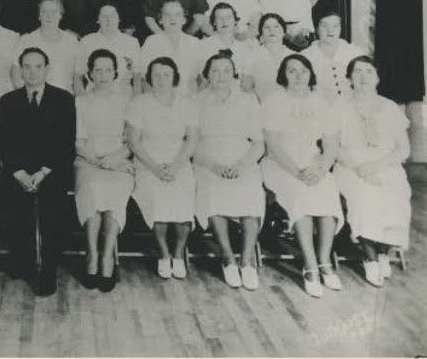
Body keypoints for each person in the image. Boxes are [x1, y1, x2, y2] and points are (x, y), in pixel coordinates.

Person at [0, 47, 76, 296]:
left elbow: (66, 143)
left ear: (47, 69)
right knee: (11, 202)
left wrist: (42, 173)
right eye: (27, 67)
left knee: (52, 207)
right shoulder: (8, 101)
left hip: (51, 171)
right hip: (18, 172)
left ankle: (48, 268)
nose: (32, 72)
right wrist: (19, 173)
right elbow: (3, 143)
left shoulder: (63, 99)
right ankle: (24, 260)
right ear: (20, 70)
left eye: (38, 66)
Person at [262, 54, 344, 297]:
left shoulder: (321, 103)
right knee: (300, 195)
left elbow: (330, 145)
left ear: (310, 74)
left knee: (327, 189)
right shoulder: (273, 101)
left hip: (313, 162)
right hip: (281, 164)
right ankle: (310, 266)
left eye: (302, 70)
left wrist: (320, 168)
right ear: (283, 75)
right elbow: (273, 147)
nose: (298, 75)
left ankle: (324, 261)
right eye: (291, 71)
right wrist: (297, 172)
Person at [334, 56, 411, 287]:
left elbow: (403, 149)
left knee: (396, 193)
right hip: (350, 164)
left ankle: (384, 252)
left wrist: (376, 166)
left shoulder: (389, 107)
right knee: (365, 196)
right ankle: (369, 258)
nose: (363, 76)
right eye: (357, 72)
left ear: (377, 78)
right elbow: (333, 147)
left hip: (384, 163)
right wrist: (359, 167)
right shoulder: (339, 107)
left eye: (369, 71)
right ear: (349, 78)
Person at [194, 51, 264, 290]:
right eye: (214, 70)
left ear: (234, 74)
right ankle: (227, 257)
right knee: (212, 190)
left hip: (242, 157)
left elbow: (259, 143)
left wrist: (242, 165)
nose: (220, 75)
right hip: (207, 159)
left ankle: (247, 260)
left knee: (251, 190)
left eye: (226, 70)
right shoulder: (197, 101)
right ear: (206, 74)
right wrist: (214, 165)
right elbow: (191, 142)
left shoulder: (248, 99)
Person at [127, 57, 198, 280]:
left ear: (174, 77)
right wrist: (155, 168)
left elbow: (192, 139)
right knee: (158, 196)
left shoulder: (186, 103)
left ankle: (178, 254)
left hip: (179, 161)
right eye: (156, 74)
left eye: (166, 74)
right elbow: (133, 141)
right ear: (149, 78)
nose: (161, 79)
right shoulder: (139, 103)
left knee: (184, 193)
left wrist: (176, 166)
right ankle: (163, 254)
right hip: (148, 162)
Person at [74, 49, 134, 292]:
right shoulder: (80, 101)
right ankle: (91, 255)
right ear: (89, 74)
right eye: (97, 70)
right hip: (87, 159)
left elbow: (131, 141)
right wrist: (97, 160)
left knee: (114, 194)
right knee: (92, 189)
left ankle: (108, 256)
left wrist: (115, 158)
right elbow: (77, 141)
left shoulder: (127, 101)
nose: (103, 75)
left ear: (115, 73)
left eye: (108, 70)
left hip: (119, 161)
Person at [12, 0, 80, 93]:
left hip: (65, 100)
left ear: (61, 15)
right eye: (45, 12)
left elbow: (77, 78)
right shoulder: (26, 40)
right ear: (39, 16)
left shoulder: (72, 41)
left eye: (54, 12)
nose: (49, 16)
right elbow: (15, 73)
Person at [139, 0, 202, 96]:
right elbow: (143, 77)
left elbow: (202, 78)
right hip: (159, 100)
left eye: (177, 15)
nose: (173, 19)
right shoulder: (151, 42)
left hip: (189, 99)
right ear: (160, 20)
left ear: (184, 20)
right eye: (167, 15)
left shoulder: (195, 43)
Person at [75, 4, 140, 96]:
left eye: (113, 16)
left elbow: (137, 76)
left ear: (119, 19)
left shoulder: (132, 42)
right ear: (98, 20)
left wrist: (136, 103)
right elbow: (78, 76)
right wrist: (81, 101)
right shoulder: (86, 42)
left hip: (124, 97)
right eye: (104, 16)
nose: (109, 20)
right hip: (93, 97)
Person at [301, 11, 365, 104]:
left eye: (335, 26)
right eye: (324, 26)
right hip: (320, 109)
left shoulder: (354, 52)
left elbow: (367, 81)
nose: (330, 31)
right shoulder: (306, 56)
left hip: (352, 107)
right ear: (317, 28)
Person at [197, 3, 253, 86]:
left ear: (235, 21)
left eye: (228, 17)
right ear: (214, 22)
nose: (224, 21)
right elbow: (200, 79)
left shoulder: (246, 47)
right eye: (220, 18)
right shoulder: (203, 46)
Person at [242, 13, 292, 101]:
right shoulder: (251, 56)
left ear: (284, 32)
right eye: (267, 27)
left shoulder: (294, 56)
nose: (271, 31)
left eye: (276, 27)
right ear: (261, 33)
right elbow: (247, 89)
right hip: (261, 108)